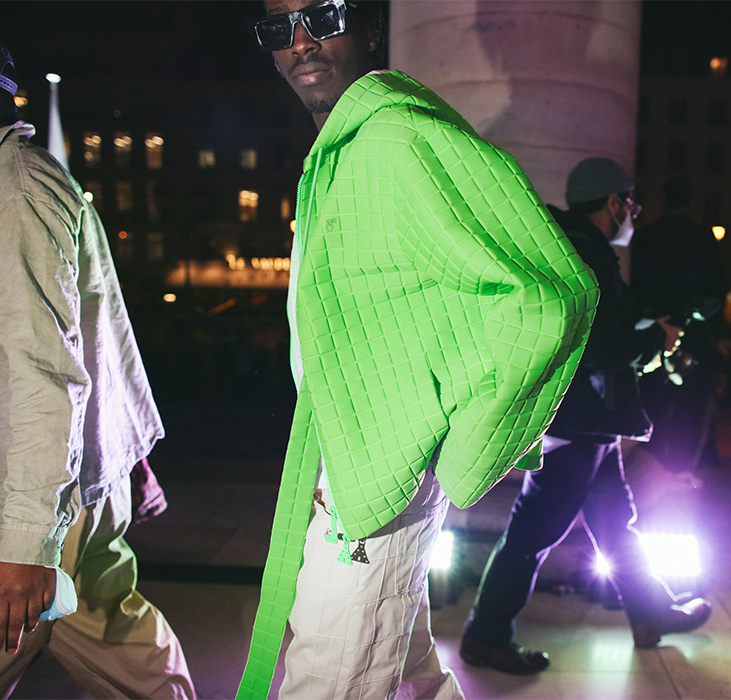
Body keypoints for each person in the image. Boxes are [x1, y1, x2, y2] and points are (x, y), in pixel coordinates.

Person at [235, 1, 599, 698]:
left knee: (326, 682)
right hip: (351, 461)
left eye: (323, 15)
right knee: (410, 678)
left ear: (370, 27)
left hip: (377, 481)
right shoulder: (346, 150)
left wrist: (462, 448)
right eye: (279, 29)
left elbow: (551, 293)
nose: (302, 41)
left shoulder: (399, 137)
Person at [0, 13, 195, 699]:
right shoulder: (1, 188)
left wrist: (23, 545)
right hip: (63, 494)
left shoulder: (10, 193)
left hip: (1, 510)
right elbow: (87, 341)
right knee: (124, 648)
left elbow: (46, 370)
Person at [459, 157, 713, 675]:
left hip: (584, 417)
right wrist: (655, 338)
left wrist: (645, 325)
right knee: (534, 529)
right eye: (632, 204)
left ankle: (649, 612)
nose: (635, 214)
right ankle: (485, 636)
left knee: (615, 521)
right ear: (615, 202)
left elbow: (600, 325)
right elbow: (600, 344)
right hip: (578, 417)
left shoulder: (574, 245)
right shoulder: (586, 252)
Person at [631, 175, 728, 472]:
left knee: (652, 402)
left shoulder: (647, 236)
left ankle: (651, 464)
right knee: (688, 407)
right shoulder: (702, 237)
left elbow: (636, 286)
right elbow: (716, 289)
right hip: (692, 334)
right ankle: (680, 468)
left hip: (653, 328)